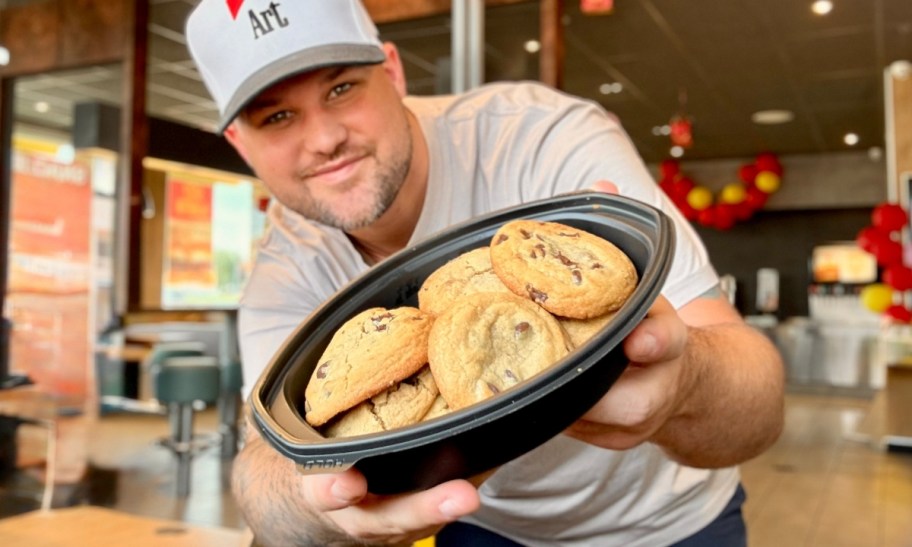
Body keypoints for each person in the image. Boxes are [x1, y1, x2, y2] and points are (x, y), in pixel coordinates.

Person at [185, 1, 785, 545]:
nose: (324, 139)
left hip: (668, 528)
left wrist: (684, 385)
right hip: (479, 526)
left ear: (392, 72)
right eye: (278, 116)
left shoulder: (542, 139)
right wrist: (316, 508)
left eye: (341, 87)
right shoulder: (286, 265)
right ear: (240, 142)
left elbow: (761, 405)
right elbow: (266, 468)